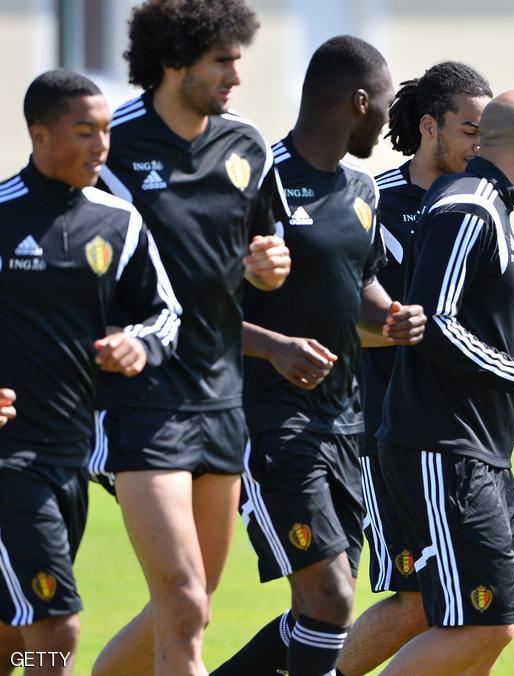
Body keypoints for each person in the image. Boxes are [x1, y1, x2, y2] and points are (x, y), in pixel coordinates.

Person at [210, 35, 425, 676]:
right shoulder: (260, 182)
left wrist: (394, 317)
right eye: (383, 104)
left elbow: (362, 289)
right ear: (359, 102)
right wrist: (273, 347)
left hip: (345, 424)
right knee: (330, 597)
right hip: (268, 419)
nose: (386, 121)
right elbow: (195, 307)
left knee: (321, 611)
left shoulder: (362, 189)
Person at [87, 2, 291, 673]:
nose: (236, 75)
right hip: (140, 397)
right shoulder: (112, 147)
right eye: (222, 61)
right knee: (180, 600)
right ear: (175, 62)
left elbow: (267, 254)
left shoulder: (249, 146)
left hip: (221, 397)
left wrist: (270, 267)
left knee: (196, 600)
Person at [375, 90, 514, 675]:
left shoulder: (492, 207)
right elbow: (433, 322)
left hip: (479, 446)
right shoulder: (468, 207)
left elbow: (473, 325)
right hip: (442, 447)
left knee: (497, 617)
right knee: (480, 623)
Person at [0, 69, 180, 676]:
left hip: (70, 455)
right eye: (84, 131)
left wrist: (136, 344)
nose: (101, 145)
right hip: (8, 459)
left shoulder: (119, 222)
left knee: (13, 630)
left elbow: (164, 314)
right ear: (40, 135)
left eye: (105, 130)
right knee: (57, 625)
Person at [338, 60, 493, 676]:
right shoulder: (373, 201)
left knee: (477, 604)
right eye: (470, 131)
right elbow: (340, 322)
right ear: (430, 126)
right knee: (420, 605)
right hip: (389, 431)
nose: (480, 146)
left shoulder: (479, 203)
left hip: (465, 434)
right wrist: (431, 334)